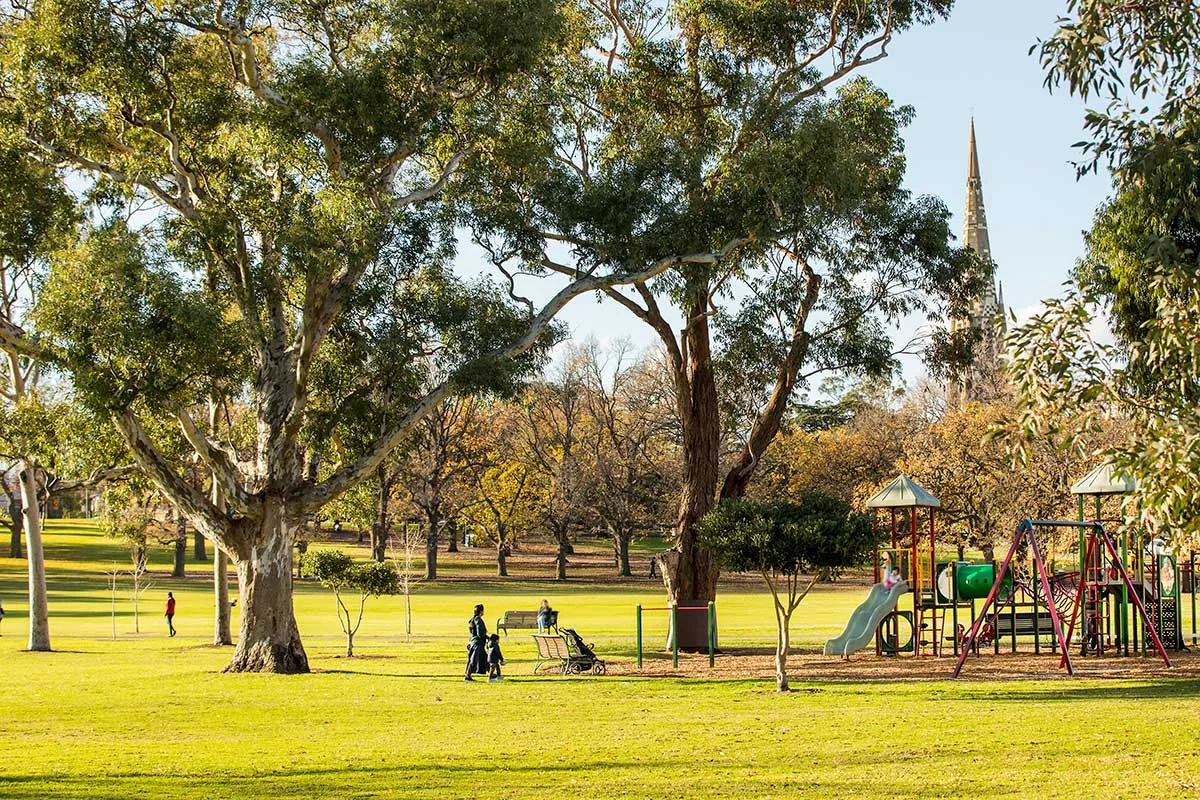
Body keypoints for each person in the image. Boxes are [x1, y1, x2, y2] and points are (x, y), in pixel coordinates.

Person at [464, 604, 488, 681]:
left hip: (474, 642)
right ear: (481, 611)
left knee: (485, 658)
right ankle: (468, 675)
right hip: (478, 643)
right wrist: (488, 638)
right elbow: (480, 634)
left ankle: (492, 674)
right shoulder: (478, 620)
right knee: (474, 660)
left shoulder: (473, 619)